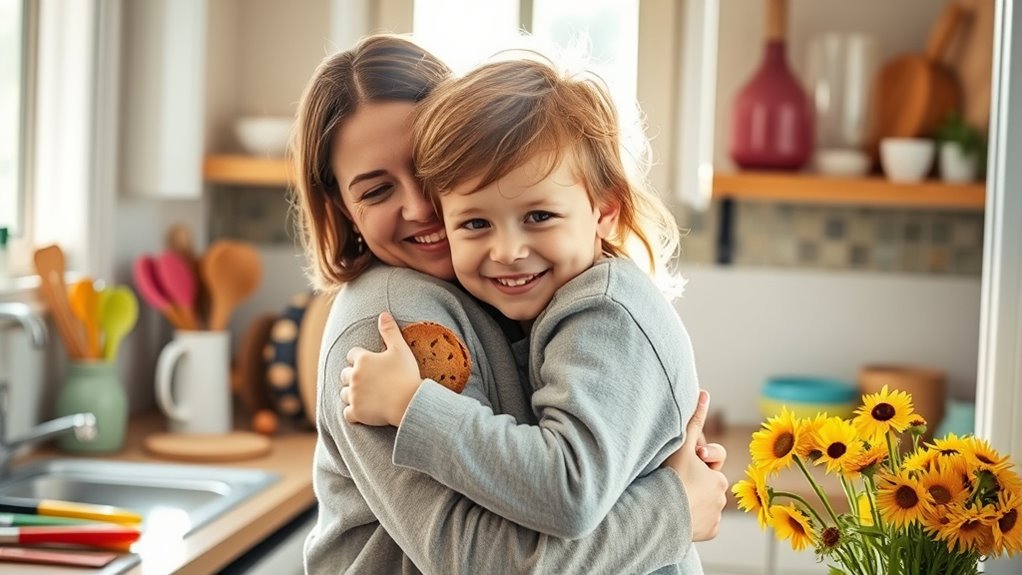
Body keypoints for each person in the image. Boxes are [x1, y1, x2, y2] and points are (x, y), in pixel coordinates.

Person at [292, 33, 728, 574]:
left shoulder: (521, 290)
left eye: (433, 171)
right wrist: (674, 511)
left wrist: (637, 444)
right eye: (376, 190)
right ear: (342, 205)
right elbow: (490, 562)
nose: (422, 207)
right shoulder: (394, 325)